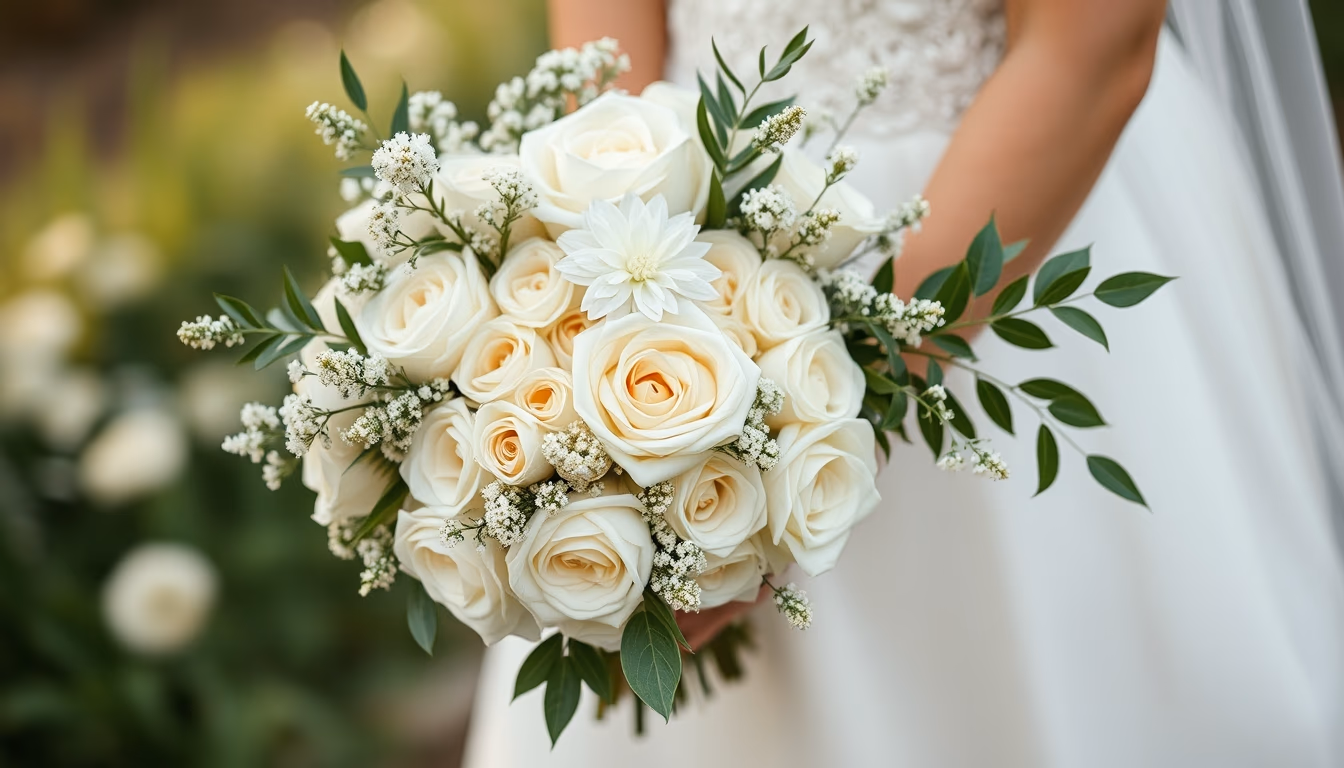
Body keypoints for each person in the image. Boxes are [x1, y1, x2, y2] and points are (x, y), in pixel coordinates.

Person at [463, 1, 1344, 765]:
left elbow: (1094, 44)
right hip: (688, 231)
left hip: (1009, 224)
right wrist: (600, 284)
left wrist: (815, 420)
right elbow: (603, 50)